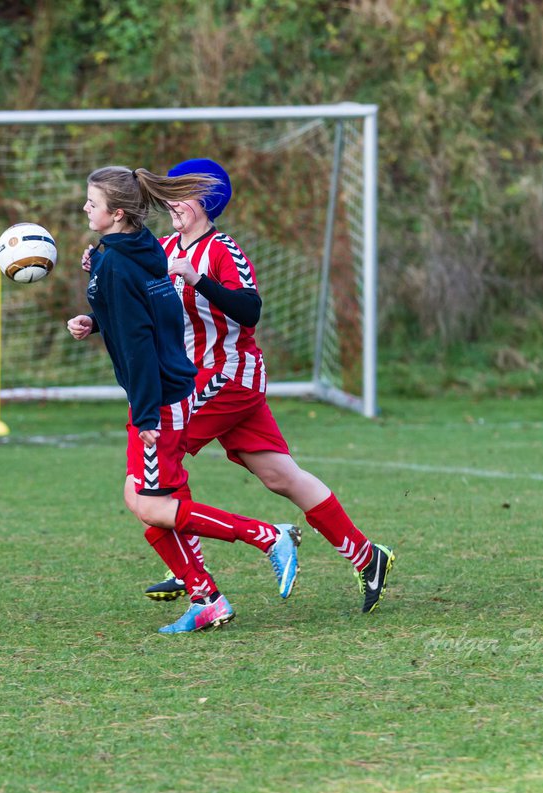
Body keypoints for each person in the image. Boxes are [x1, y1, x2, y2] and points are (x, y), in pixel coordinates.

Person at [74, 158, 396, 614]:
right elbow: (138, 309)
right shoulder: (161, 247)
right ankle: (367, 556)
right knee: (280, 476)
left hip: (227, 376)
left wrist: (197, 278)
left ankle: (191, 571)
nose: (172, 205)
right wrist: (99, 283)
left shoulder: (223, 250)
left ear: (208, 204)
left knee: (157, 464)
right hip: (202, 379)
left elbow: (250, 310)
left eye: (183, 198)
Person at [65, 165, 302, 634]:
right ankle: (205, 596)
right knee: (139, 497)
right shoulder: (141, 246)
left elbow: (137, 341)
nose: (84, 209)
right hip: (169, 387)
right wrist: (98, 319)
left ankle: (267, 537)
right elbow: (153, 312)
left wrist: (149, 411)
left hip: (159, 398)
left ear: (115, 213)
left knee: (153, 506)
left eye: (91, 203)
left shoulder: (115, 261)